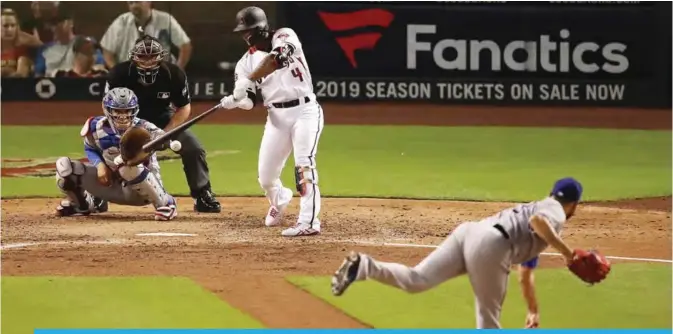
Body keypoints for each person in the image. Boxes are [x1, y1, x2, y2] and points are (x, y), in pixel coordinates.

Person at [331, 178, 589, 328]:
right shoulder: (555, 211)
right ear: (574, 204)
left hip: (471, 233)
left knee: (416, 280)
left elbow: (525, 273)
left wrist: (533, 310)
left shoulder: (542, 207)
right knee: (488, 322)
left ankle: (364, 266)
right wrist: (568, 253)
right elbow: (538, 222)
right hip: (493, 246)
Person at [218, 7, 325, 237]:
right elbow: (249, 102)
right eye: (243, 32)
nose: (246, 36)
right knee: (266, 177)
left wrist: (249, 79)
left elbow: (276, 59)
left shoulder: (284, 35)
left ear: (261, 28)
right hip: (276, 117)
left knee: (304, 165)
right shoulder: (244, 63)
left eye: (249, 30)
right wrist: (236, 100)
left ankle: (308, 222)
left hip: (305, 110)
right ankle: (280, 198)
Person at [105, 35, 221, 213]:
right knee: (109, 150)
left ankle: (202, 194)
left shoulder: (174, 74)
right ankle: (99, 197)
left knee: (193, 148)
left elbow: (183, 108)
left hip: (163, 119)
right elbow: (107, 105)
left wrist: (164, 133)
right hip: (127, 120)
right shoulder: (118, 74)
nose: (148, 61)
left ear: (161, 56)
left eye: (152, 56)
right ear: (134, 57)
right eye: (143, 56)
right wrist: (124, 131)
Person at [55, 87, 178, 221]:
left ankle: (166, 204)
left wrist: (162, 142)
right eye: (118, 111)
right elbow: (90, 148)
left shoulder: (145, 127)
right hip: (110, 185)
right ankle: (82, 205)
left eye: (127, 111)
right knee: (64, 166)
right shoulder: (95, 126)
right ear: (108, 110)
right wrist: (100, 165)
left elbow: (162, 139)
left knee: (127, 169)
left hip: (140, 191)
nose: (123, 116)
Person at [100, 1, 192, 70]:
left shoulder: (165, 20)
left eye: (138, 2)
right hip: (128, 74)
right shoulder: (121, 21)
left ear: (149, 2)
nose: (134, 6)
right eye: (131, 3)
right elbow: (107, 51)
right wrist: (116, 72)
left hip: (159, 75)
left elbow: (185, 46)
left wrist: (177, 71)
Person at [33, 12, 105, 77]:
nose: (54, 28)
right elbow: (38, 75)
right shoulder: (44, 49)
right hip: (53, 86)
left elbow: (99, 66)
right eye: (52, 25)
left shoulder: (85, 43)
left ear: (70, 23)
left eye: (57, 23)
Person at [1, 9, 32, 77]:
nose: (10, 29)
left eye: (13, 25)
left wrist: (4, 71)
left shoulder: (22, 51)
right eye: (5, 26)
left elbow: (20, 76)